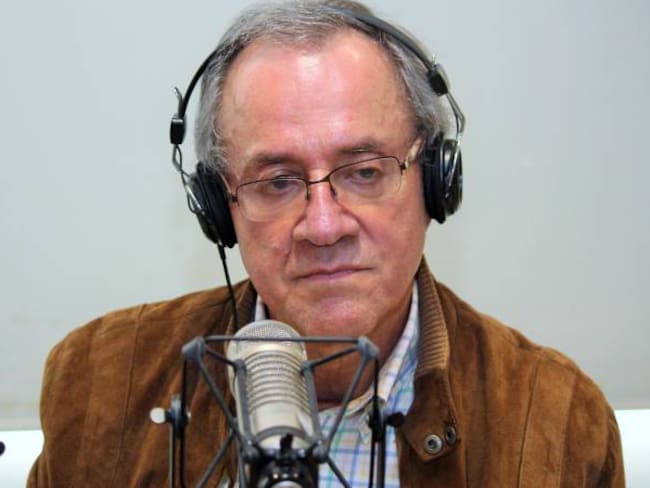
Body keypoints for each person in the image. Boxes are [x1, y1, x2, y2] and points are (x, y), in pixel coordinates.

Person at [28, 1, 624, 486]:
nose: (323, 226)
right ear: (219, 207)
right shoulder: (99, 385)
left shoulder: (561, 423)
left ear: (435, 181)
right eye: (277, 182)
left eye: (364, 172)